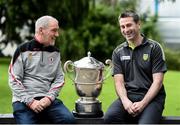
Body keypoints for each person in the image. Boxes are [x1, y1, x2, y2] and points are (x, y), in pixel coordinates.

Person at [8, 15, 75, 124]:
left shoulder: (55, 52)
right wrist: (30, 102)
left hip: (47, 101)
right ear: (41, 30)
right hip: (23, 101)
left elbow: (59, 79)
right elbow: (14, 80)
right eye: (54, 30)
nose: (57, 35)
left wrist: (49, 98)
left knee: (68, 120)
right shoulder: (22, 50)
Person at [104, 10, 167, 124]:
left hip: (153, 99)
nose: (126, 30)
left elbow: (158, 82)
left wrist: (143, 103)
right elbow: (119, 83)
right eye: (122, 26)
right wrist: (125, 101)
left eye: (129, 25)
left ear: (138, 24)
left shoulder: (154, 47)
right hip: (129, 96)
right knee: (110, 118)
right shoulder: (118, 52)